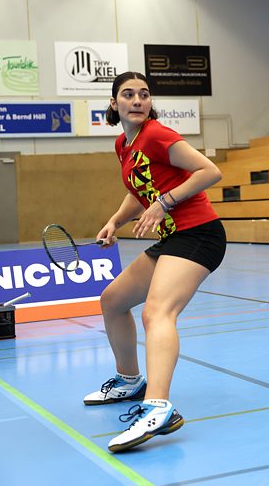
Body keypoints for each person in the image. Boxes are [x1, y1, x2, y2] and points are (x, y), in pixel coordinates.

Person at [85, 71, 226, 452]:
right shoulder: (124, 144)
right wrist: (115, 221)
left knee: (157, 312)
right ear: (113, 103)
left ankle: (158, 407)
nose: (137, 100)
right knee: (113, 300)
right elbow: (139, 190)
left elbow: (210, 171)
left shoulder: (157, 135)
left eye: (144, 94)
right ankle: (130, 380)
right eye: (128, 94)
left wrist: (164, 203)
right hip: (173, 237)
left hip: (199, 234)